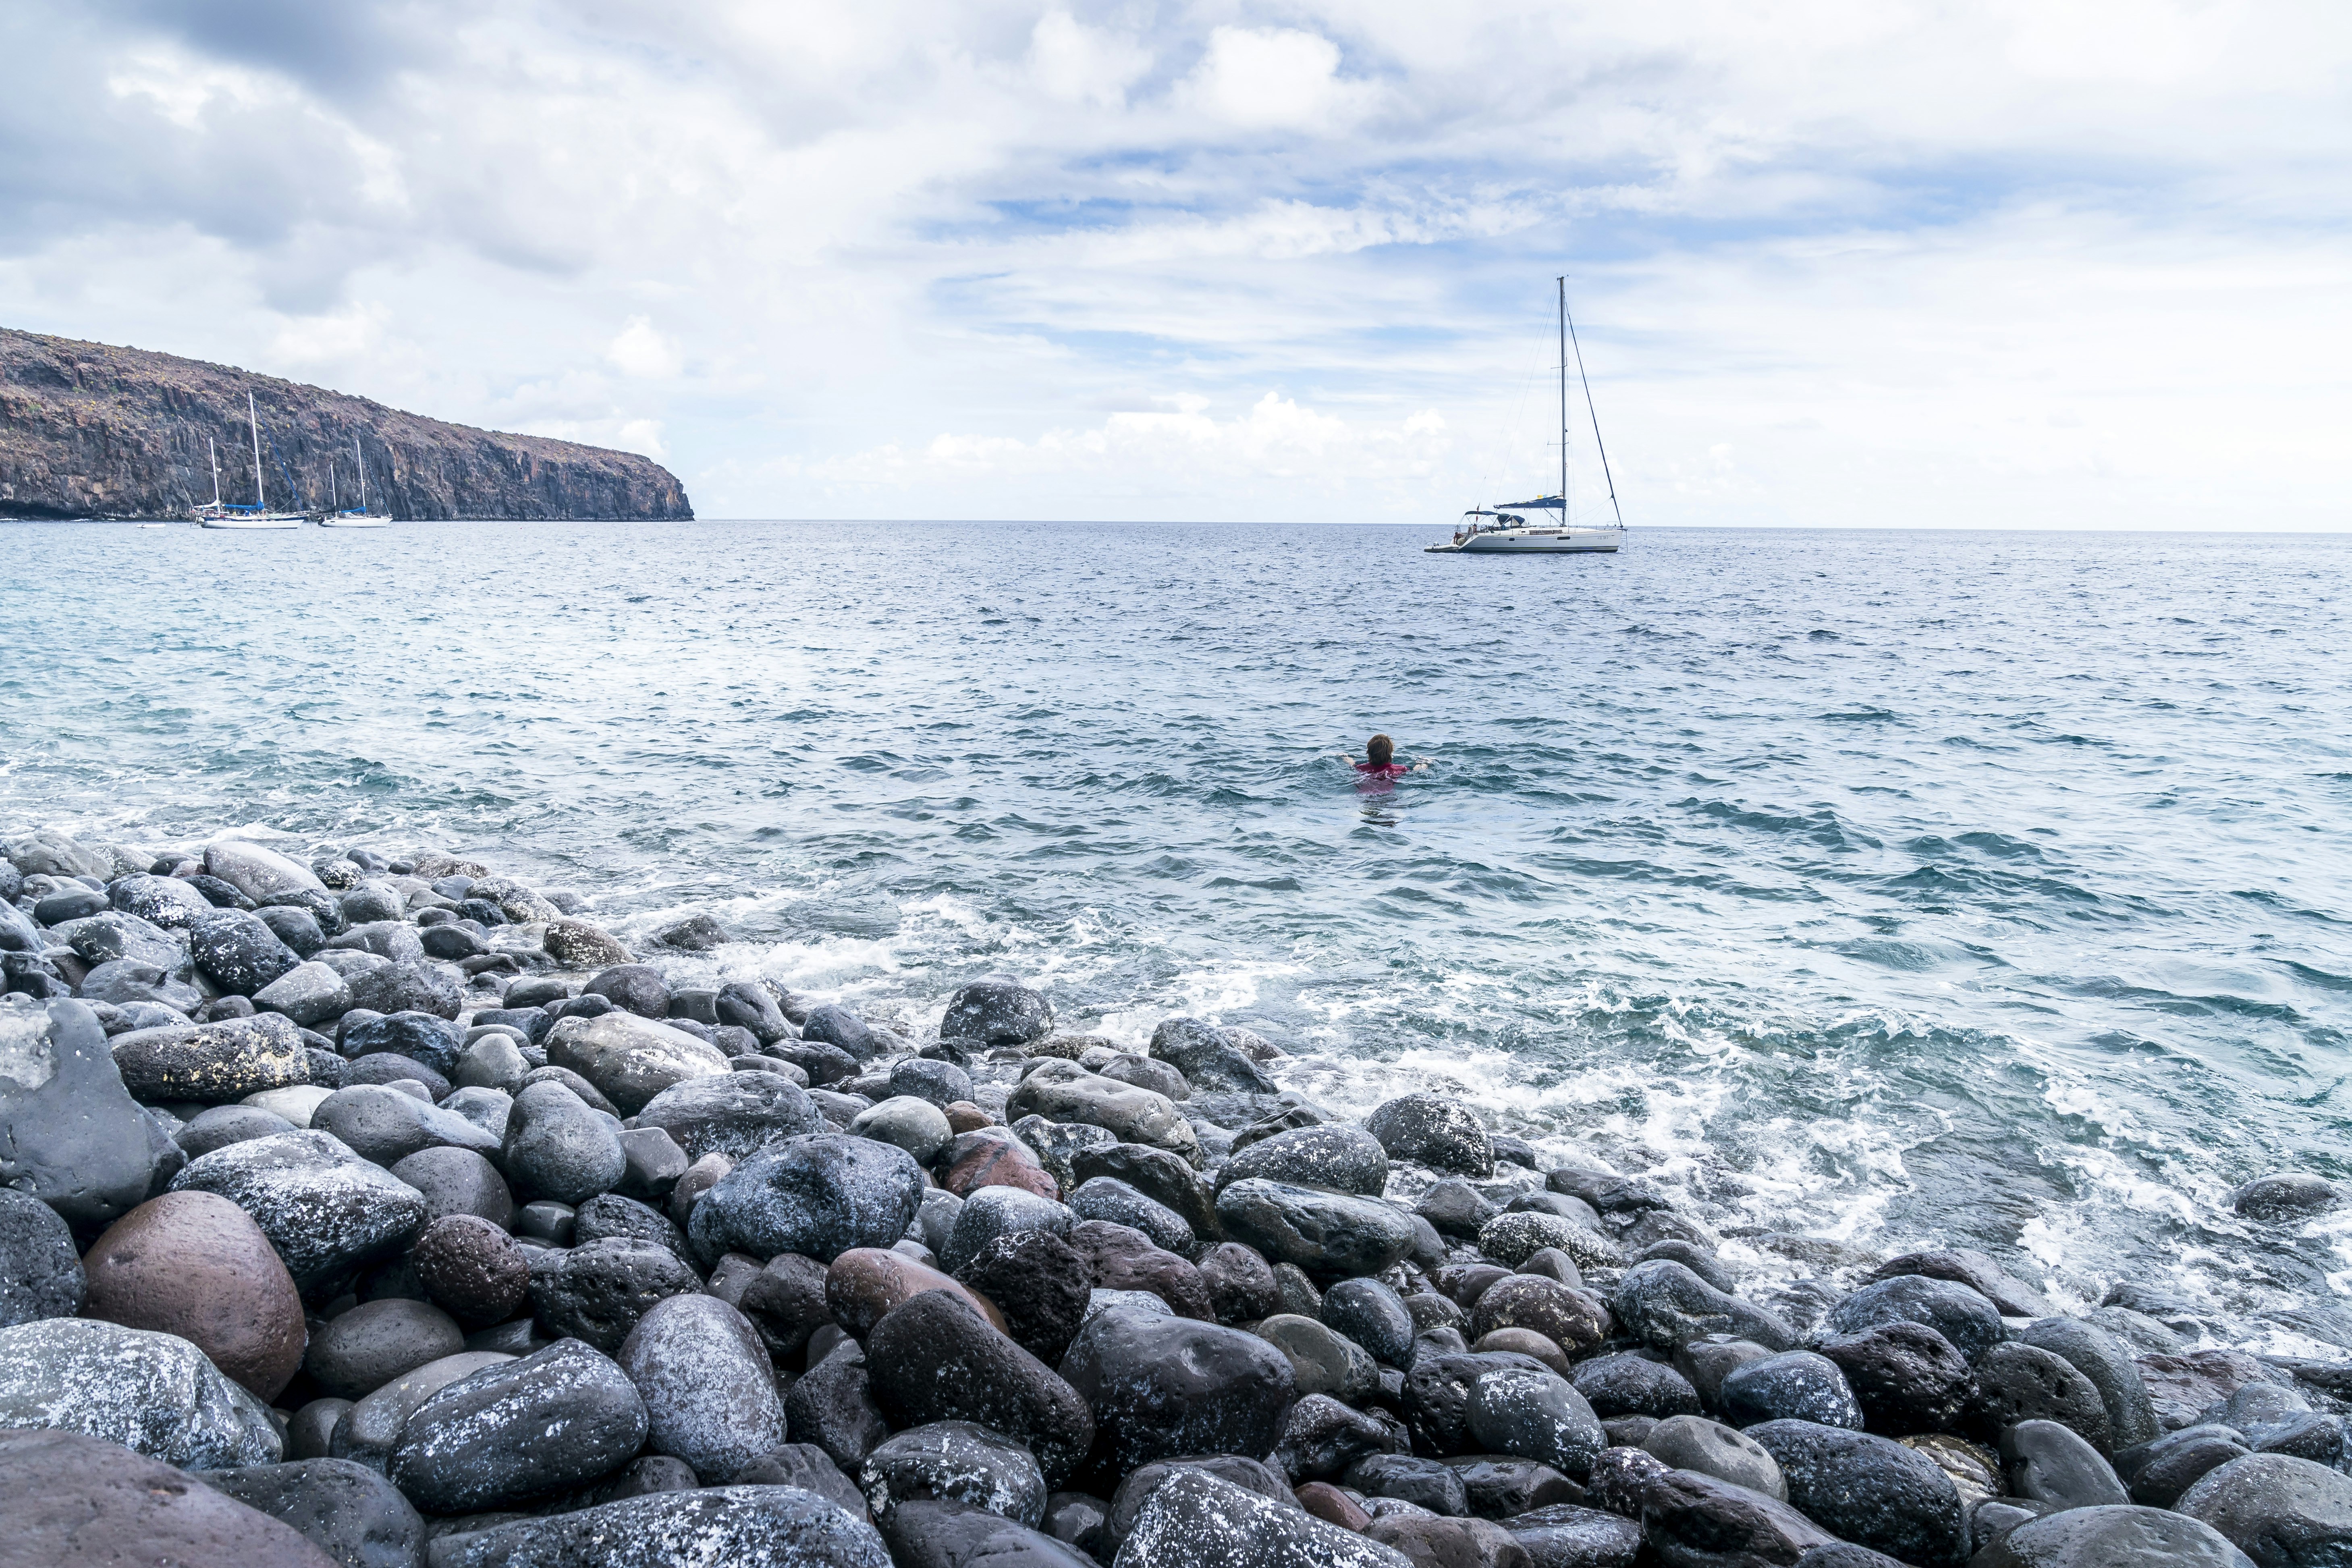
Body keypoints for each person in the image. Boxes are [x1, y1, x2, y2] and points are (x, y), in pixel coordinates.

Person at [1337, 733, 1426, 780]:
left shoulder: (1361, 768)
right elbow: (1416, 771)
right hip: (1389, 798)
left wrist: (1345, 757)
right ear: (1390, 752)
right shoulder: (1400, 769)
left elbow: (1351, 763)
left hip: (1365, 798)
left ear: (1369, 752)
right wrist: (1423, 764)